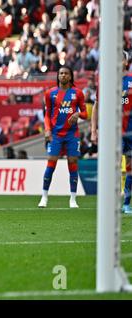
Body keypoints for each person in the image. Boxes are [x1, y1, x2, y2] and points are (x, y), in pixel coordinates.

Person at [38, 65, 88, 208]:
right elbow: (47, 115)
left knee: (72, 162)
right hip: (55, 134)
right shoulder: (50, 93)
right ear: (58, 76)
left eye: (66, 73)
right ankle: (44, 197)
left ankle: (73, 199)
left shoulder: (78, 93)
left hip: (72, 134)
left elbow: (85, 114)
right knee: (51, 163)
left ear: (71, 76)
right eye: (61, 73)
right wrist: (47, 130)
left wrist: (78, 114)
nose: (63, 76)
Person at [91, 50, 132, 214]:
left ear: (125, 62)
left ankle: (126, 203)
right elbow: (96, 106)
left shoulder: (130, 81)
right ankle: (110, 202)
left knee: (130, 168)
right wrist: (94, 130)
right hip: (113, 133)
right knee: (112, 167)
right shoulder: (105, 82)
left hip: (130, 131)